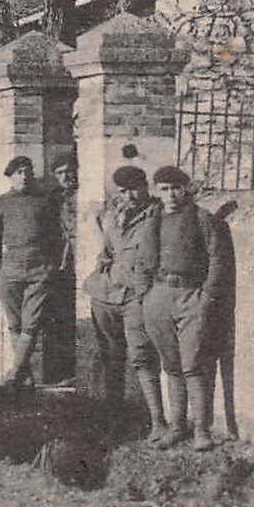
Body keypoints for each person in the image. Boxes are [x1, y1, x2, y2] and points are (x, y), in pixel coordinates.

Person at [138, 165, 236, 451]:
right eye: (164, 189)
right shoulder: (154, 220)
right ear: (158, 191)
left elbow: (218, 259)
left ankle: (201, 429)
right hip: (159, 295)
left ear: (187, 188)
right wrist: (146, 295)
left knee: (193, 364)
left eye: (176, 188)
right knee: (171, 365)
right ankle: (176, 426)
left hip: (191, 295)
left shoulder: (202, 219)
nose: (170, 195)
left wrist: (206, 297)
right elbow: (143, 261)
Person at [84, 166, 166, 440]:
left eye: (133, 189)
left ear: (145, 186)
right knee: (110, 358)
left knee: (142, 356)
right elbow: (106, 252)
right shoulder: (113, 217)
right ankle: (114, 419)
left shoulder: (159, 215)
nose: (129, 196)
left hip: (136, 297)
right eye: (122, 191)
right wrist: (101, 272)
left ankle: (157, 422)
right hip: (106, 296)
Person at [0, 155, 61, 392]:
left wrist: (50, 265)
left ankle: (13, 374)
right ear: (10, 176)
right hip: (10, 270)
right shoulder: (1, 203)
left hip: (39, 270)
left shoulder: (43, 202)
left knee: (32, 323)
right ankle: (25, 378)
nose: (24, 176)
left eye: (28, 171)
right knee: (14, 323)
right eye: (19, 172)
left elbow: (55, 237)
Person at [43, 152, 80, 388]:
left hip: (79, 261)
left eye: (69, 171)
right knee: (58, 319)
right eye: (60, 173)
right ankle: (59, 371)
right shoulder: (51, 200)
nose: (66, 176)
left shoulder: (84, 195)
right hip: (58, 266)